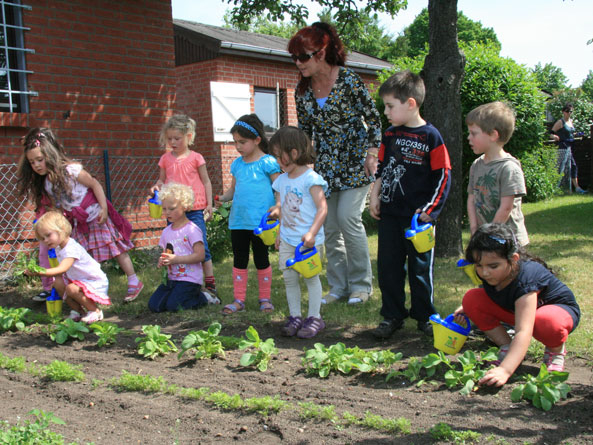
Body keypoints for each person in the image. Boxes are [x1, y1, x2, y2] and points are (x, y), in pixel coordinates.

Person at [288, 22, 381, 305]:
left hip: (355, 163)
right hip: (326, 167)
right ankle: (338, 287)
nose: (298, 63)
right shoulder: (302, 92)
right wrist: (301, 168)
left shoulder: (349, 80)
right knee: (328, 225)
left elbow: (374, 118)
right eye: (294, 57)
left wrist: (372, 152)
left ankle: (361, 286)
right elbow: (305, 134)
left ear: (322, 52)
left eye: (303, 56)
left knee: (348, 219)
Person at [17, 127, 143, 303]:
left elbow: (95, 184)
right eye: (32, 162)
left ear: (51, 155)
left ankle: (133, 281)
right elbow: (58, 207)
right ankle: (89, 288)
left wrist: (104, 208)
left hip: (96, 216)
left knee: (116, 249)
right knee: (80, 255)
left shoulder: (71, 170)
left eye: (40, 159)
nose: (37, 165)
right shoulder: (46, 184)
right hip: (78, 222)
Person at [369, 70, 451, 339]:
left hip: (419, 222)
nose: (386, 112)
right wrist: (375, 195)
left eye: (390, 106)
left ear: (411, 103)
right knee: (388, 269)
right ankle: (392, 315)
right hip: (391, 216)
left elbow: (444, 176)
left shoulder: (431, 137)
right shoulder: (389, 135)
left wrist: (430, 210)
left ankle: (424, 316)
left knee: (419, 270)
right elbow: (381, 168)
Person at [453, 223, 580, 386]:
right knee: (471, 299)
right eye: (479, 266)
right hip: (520, 310)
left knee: (546, 322)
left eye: (493, 266)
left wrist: (505, 370)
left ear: (513, 259)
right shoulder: (493, 274)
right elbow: (486, 295)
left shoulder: (526, 280)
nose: (484, 273)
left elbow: (523, 330)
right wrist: (468, 308)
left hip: (558, 312)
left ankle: (555, 352)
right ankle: (507, 348)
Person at [215, 114, 281, 314]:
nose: (238, 147)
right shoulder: (237, 164)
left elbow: (279, 188)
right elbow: (232, 191)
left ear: (257, 140)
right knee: (239, 260)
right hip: (239, 222)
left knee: (262, 259)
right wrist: (222, 198)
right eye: (235, 142)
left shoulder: (268, 162)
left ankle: (265, 299)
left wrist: (278, 205)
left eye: (242, 142)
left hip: (262, 223)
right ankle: (238, 300)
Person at [268, 126, 328, 338]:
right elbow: (283, 208)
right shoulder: (282, 180)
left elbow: (322, 208)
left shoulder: (311, 179)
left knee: (311, 278)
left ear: (293, 153)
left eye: (278, 155)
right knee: (289, 278)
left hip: (308, 243)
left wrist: (311, 234)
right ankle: (295, 316)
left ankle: (314, 318)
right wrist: (278, 234)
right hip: (287, 240)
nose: (277, 161)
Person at [150, 114, 218, 297]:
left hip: (194, 208)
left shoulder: (196, 158)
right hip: (173, 210)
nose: (172, 142)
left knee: (200, 244)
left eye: (177, 138)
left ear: (189, 136)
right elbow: (161, 179)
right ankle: (176, 280)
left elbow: (206, 181)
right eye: (169, 138)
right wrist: (157, 185)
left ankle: (210, 282)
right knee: (174, 245)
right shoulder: (165, 159)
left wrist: (209, 204)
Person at [466, 101, 529, 247]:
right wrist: (475, 230)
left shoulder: (509, 168)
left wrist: (490, 235)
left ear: (493, 135)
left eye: (474, 133)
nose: (469, 137)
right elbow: (471, 198)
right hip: (485, 237)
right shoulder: (476, 165)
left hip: (509, 239)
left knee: (508, 270)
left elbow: (506, 207)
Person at [30, 211, 110, 323]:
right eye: (42, 238)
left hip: (93, 280)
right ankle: (79, 311)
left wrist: (39, 271)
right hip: (78, 280)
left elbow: (62, 269)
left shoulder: (71, 248)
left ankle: (95, 311)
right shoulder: (59, 248)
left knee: (71, 288)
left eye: (48, 235)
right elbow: (60, 273)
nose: (46, 240)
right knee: (58, 284)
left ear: (61, 230)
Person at [148, 182, 216, 312]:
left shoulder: (192, 230)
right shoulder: (166, 232)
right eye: (164, 209)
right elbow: (167, 252)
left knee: (174, 307)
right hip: (172, 279)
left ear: (185, 206)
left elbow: (200, 255)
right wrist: (162, 260)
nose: (167, 212)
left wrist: (176, 259)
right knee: (154, 306)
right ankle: (179, 296)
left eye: (172, 208)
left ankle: (204, 297)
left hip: (189, 280)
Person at [551, 103, 586, 194]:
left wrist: (577, 134)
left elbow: (570, 134)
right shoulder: (560, 122)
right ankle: (555, 187)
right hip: (563, 147)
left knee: (572, 167)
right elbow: (550, 133)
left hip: (570, 147)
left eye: (570, 111)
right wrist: (554, 136)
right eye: (567, 111)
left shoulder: (571, 121)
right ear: (563, 112)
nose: (569, 113)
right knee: (562, 167)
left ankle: (575, 188)